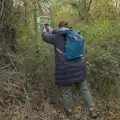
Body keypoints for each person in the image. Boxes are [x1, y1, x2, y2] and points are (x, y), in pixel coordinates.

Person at [41, 21, 98, 119]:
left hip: (65, 70)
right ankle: (92, 110)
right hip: (79, 67)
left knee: (66, 91)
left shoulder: (56, 37)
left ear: (59, 28)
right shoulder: (74, 34)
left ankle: (70, 113)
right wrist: (51, 29)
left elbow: (45, 37)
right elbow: (56, 32)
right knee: (84, 89)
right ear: (67, 27)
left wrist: (43, 30)